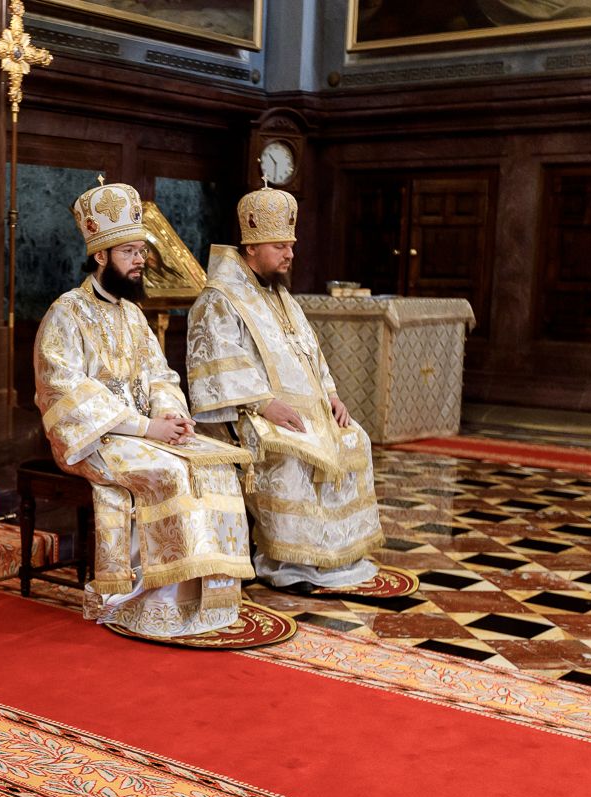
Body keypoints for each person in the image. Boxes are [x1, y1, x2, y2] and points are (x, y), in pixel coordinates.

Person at [33, 178, 252, 638]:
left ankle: (205, 596)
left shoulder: (133, 315)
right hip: (94, 438)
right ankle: (147, 601)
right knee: (169, 472)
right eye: (130, 252)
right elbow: (63, 391)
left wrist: (169, 413)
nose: (140, 261)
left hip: (145, 430)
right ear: (101, 256)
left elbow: (160, 374)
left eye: (141, 251)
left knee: (214, 465)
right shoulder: (66, 313)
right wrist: (144, 427)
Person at [186, 183, 384, 593]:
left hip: (304, 408)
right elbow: (215, 364)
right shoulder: (220, 299)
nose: (290, 254)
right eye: (280, 246)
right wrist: (263, 404)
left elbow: (310, 353)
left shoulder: (281, 296)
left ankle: (336, 551)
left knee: (355, 439)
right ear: (251, 247)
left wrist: (331, 396)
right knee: (295, 451)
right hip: (243, 414)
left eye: (291, 245)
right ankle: (289, 561)